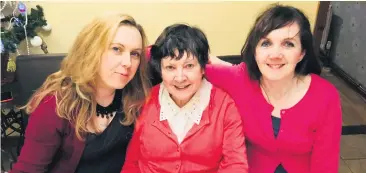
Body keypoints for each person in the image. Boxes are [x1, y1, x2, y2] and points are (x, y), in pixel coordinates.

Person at [207, 4, 342, 173]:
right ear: (255, 51)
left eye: (288, 44)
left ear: (302, 53)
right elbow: (195, 65)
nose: (275, 54)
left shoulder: (325, 96)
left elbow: (325, 165)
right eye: (266, 43)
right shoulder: (241, 79)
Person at [10, 13, 151, 173]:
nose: (127, 63)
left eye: (135, 54)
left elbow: (165, 55)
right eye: (116, 49)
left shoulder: (132, 96)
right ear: (91, 50)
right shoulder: (54, 105)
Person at [121, 24, 248, 173]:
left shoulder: (224, 105)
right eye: (170, 67)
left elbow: (235, 165)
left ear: (202, 68)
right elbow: (132, 163)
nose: (180, 78)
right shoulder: (145, 101)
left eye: (189, 66)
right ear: (160, 70)